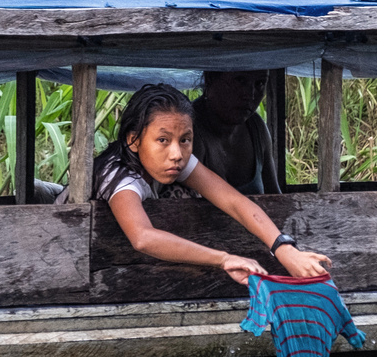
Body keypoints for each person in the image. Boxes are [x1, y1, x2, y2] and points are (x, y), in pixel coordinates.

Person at [62, 83, 327, 283]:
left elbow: (233, 202)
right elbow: (142, 238)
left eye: (185, 140)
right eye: (163, 140)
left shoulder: (172, 161)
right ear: (133, 140)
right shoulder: (120, 176)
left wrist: (284, 248)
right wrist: (223, 258)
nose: (176, 153)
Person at [191, 70, 282, 195]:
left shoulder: (256, 128)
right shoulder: (188, 132)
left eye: (260, 83)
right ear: (210, 78)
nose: (250, 95)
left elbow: (276, 199)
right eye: (240, 81)